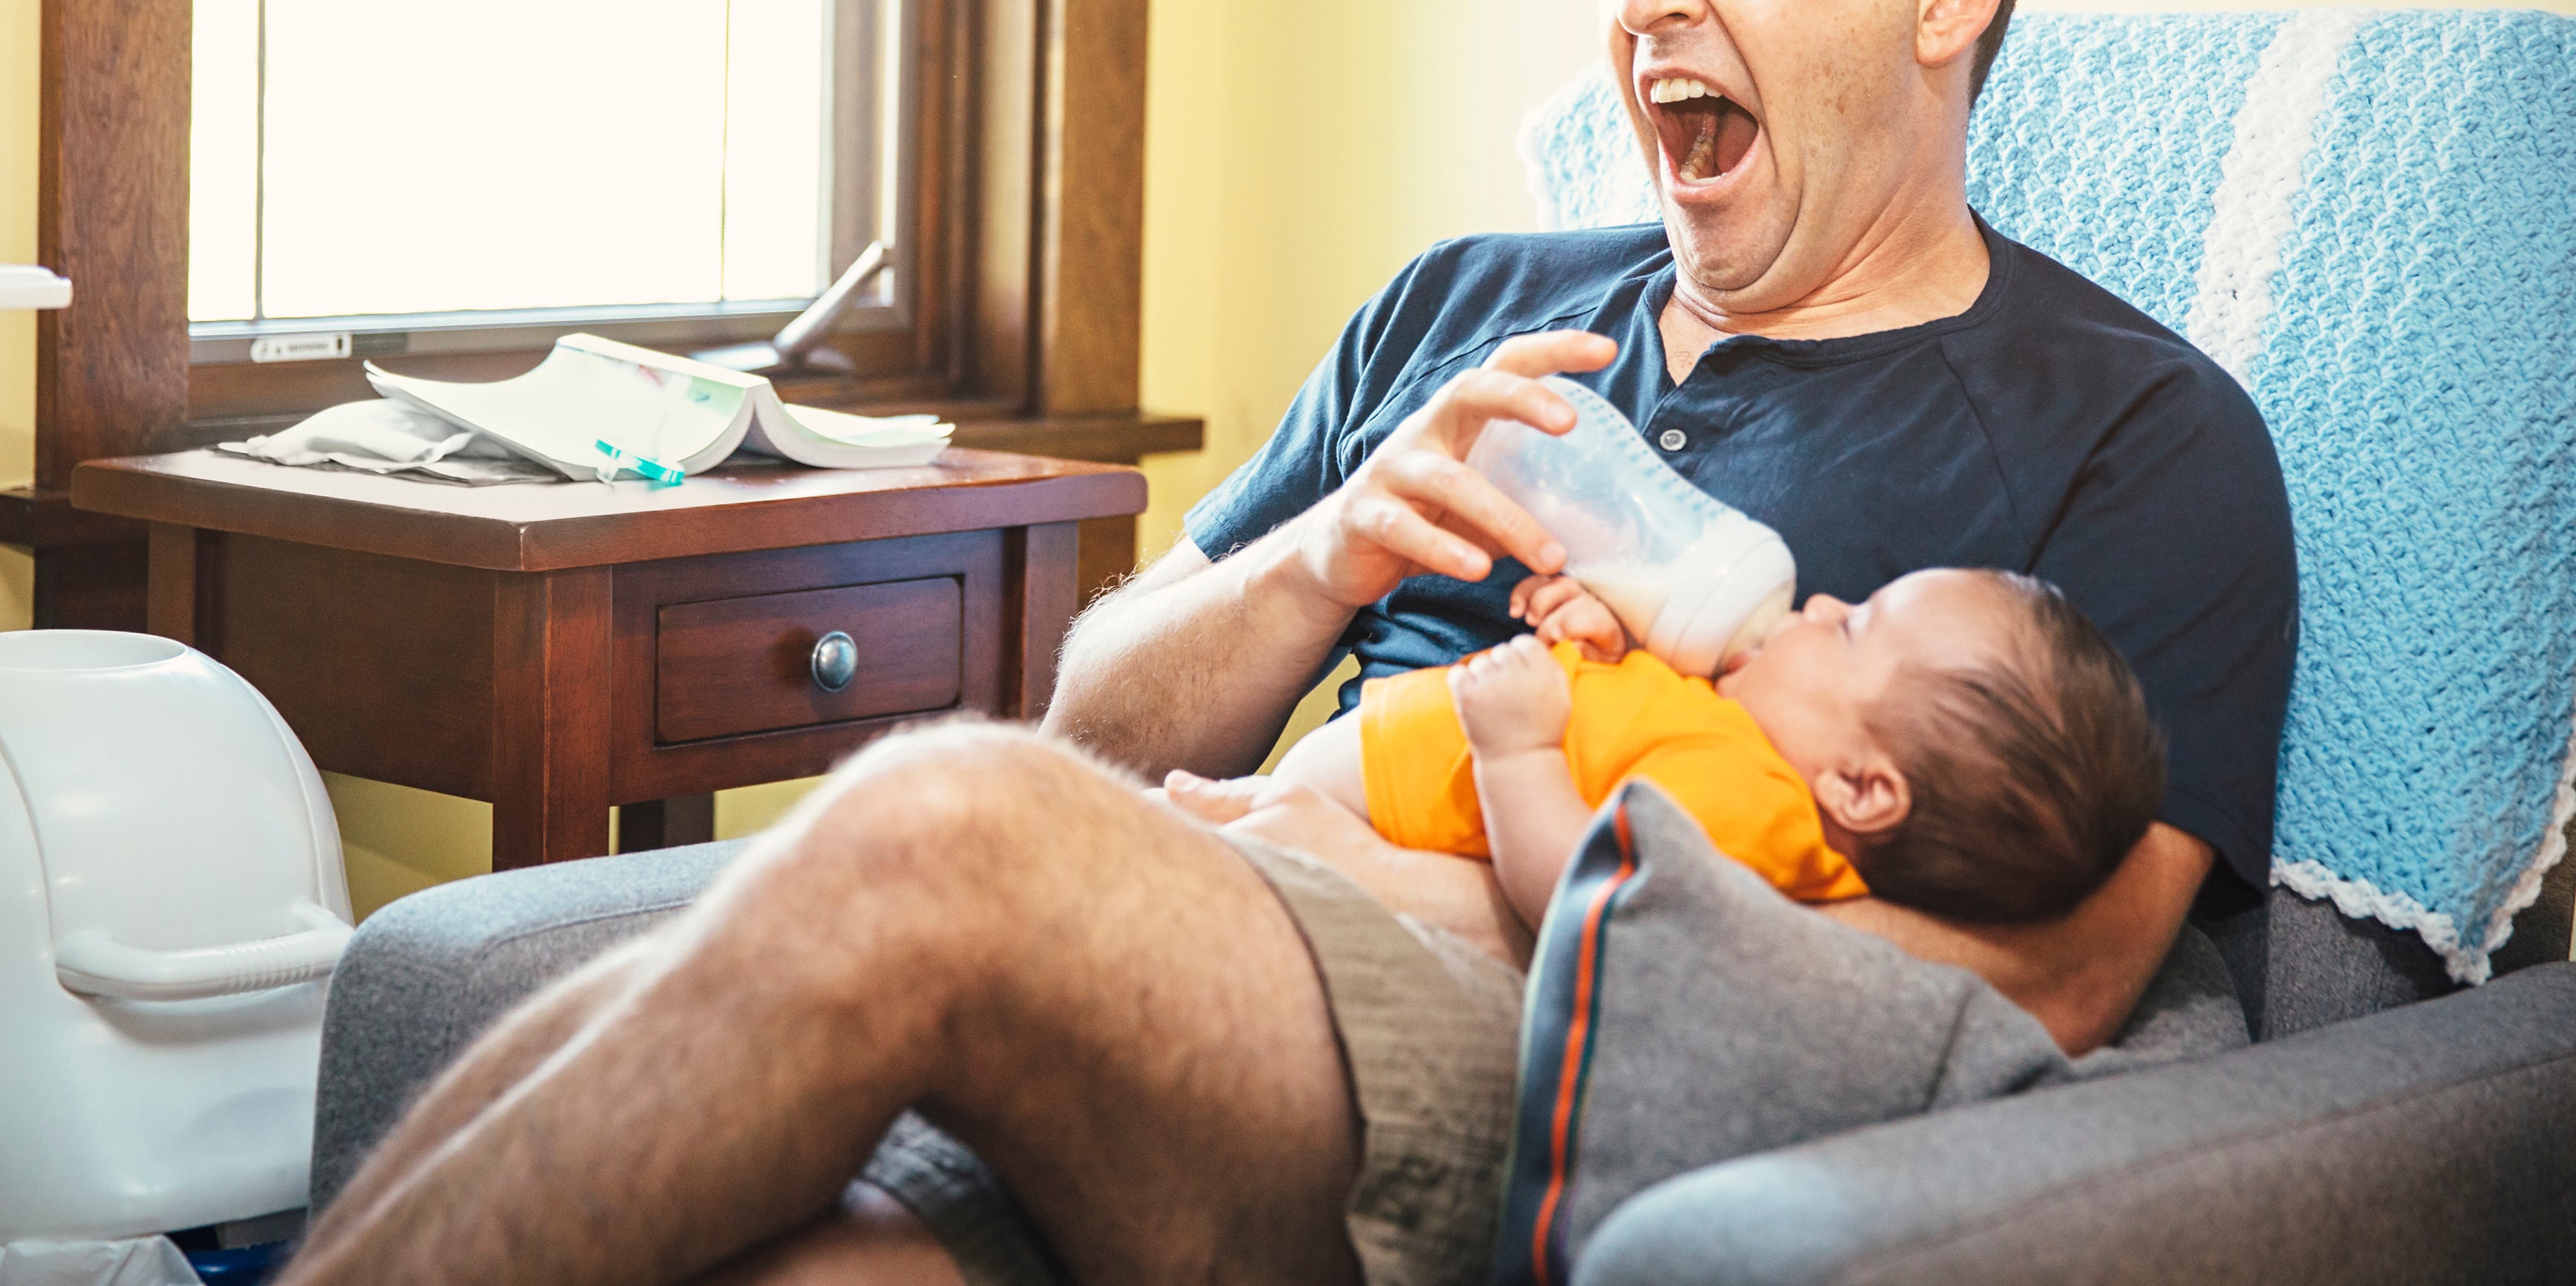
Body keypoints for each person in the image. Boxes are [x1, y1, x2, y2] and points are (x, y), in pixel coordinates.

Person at [277, 2, 2297, 1285]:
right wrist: (1320, 557)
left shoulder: (2130, 431)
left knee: (933, 824)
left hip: (1484, 1035)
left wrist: (1467, 876)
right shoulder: (1466, 297)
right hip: (1179, 957)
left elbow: (2072, 965)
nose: (1650, 12)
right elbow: (1089, 717)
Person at [1272, 568, 2167, 933]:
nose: (1818, 605)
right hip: (1348, 794)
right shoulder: (1753, 758)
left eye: (1851, 631)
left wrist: (1517, 752)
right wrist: (1595, 649)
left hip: (1365, 828)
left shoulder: (1748, 813)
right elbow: (1633, 746)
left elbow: (1589, 905)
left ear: (1859, 786)